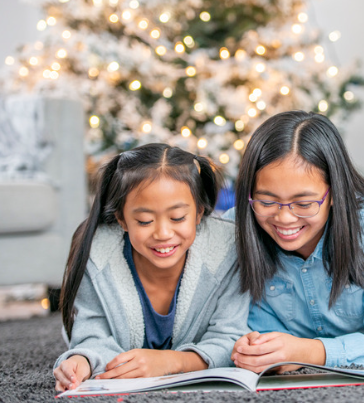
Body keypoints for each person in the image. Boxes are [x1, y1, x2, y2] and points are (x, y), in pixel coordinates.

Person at [228, 111, 364, 373]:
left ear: (334, 192)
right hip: (304, 327)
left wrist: (304, 352)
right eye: (267, 201)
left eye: (304, 203)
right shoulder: (236, 226)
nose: (284, 218)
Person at [53, 143, 249, 392]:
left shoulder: (227, 249)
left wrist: (173, 362)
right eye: (144, 221)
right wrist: (82, 361)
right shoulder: (97, 253)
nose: (163, 233)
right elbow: (91, 333)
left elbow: (231, 338)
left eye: (178, 218)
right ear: (121, 219)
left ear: (199, 212)